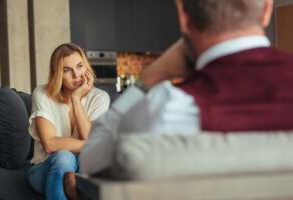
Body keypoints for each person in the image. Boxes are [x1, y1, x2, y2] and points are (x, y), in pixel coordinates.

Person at [80, 0, 293, 175]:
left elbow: (90, 160)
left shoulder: (167, 107)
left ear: (183, 16)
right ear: (267, 10)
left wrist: (150, 77)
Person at [27, 43, 110, 199]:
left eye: (80, 66)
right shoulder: (42, 94)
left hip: (82, 168)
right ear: (57, 74)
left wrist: (76, 99)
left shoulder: (100, 97)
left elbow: (87, 135)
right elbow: (50, 144)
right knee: (64, 157)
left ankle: (75, 184)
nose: (77, 75)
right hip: (45, 169)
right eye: (67, 70)